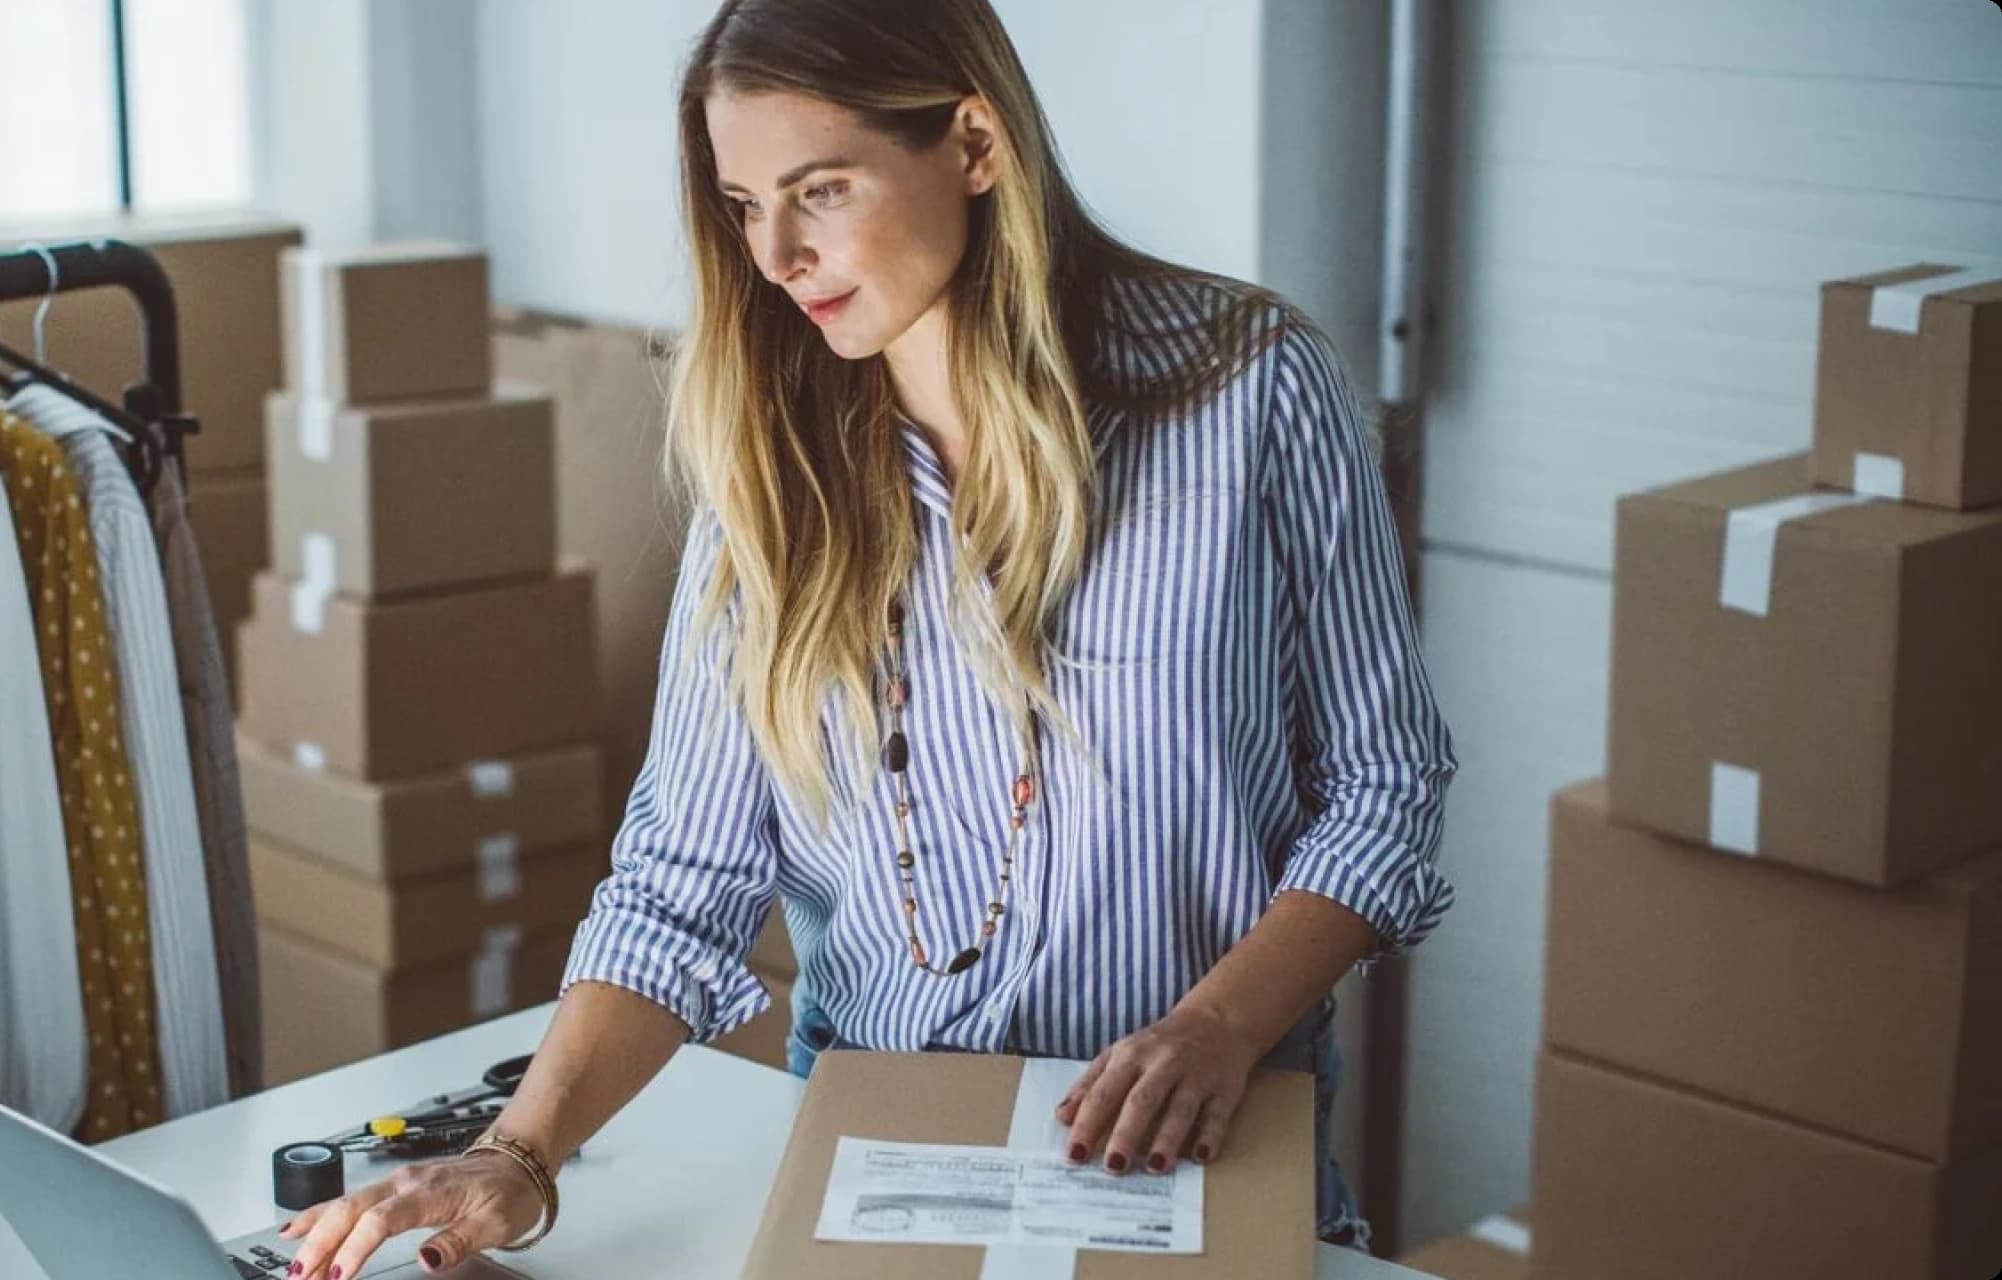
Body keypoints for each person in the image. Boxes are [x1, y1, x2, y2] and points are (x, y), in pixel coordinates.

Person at [276, 0, 1456, 1274]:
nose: (775, 254)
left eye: (818, 190)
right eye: (741, 206)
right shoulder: (770, 475)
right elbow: (683, 880)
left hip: (1191, 1149)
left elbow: (1385, 786)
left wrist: (1218, 1026)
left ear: (972, 144)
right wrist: (516, 1153)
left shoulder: (1246, 387)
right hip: (882, 1164)